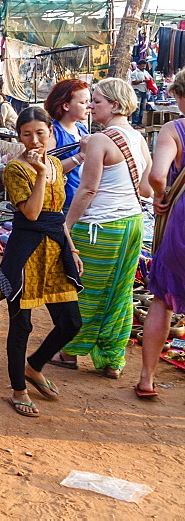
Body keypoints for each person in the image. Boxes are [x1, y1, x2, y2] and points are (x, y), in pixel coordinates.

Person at [51, 78, 152, 378]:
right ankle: (112, 359)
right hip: (132, 223)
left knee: (84, 291)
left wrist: (66, 226)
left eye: (97, 100)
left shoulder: (100, 140)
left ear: (115, 105)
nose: (91, 105)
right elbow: (146, 189)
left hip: (99, 227)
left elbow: (87, 190)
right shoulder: (138, 137)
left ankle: (69, 351)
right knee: (120, 293)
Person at [0, 107, 83, 418]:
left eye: (40, 133)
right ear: (18, 136)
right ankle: (18, 388)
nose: (34, 140)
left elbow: (56, 214)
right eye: (26, 134)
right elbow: (32, 213)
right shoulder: (15, 169)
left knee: (71, 321)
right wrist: (42, 173)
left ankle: (33, 366)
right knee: (21, 325)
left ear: (50, 132)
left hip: (55, 249)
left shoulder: (57, 164)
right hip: (25, 253)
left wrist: (71, 248)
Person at [136, 69, 185, 399]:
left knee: (162, 301)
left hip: (180, 218)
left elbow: (157, 174)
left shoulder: (174, 128)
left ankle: (147, 379)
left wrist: (159, 195)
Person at [45, 79, 91, 211]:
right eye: (83, 102)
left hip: (85, 200)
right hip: (65, 203)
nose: (89, 106)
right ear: (66, 106)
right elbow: (48, 169)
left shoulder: (81, 129)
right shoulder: (52, 132)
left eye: (89, 101)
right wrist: (81, 156)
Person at [130, 62, 149, 126]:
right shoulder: (134, 73)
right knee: (137, 107)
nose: (143, 67)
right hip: (138, 91)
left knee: (143, 108)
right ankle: (135, 122)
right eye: (142, 66)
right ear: (138, 66)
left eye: (144, 66)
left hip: (144, 91)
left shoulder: (145, 72)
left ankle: (140, 122)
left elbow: (150, 79)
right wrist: (142, 81)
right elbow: (133, 82)